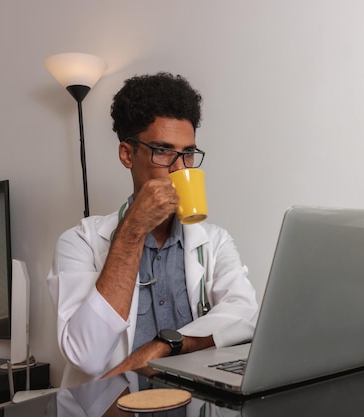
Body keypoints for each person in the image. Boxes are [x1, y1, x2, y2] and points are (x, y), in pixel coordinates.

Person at [47, 72, 258, 388]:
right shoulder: (80, 242)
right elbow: (86, 354)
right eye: (163, 151)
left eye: (187, 153)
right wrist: (134, 227)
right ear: (127, 154)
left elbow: (246, 317)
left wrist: (165, 346)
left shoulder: (214, 242)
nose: (180, 168)